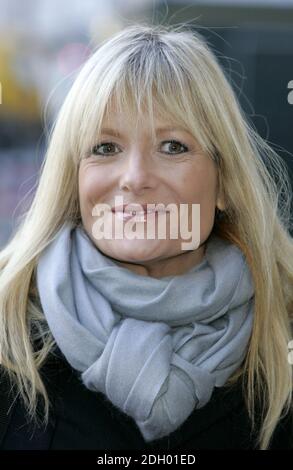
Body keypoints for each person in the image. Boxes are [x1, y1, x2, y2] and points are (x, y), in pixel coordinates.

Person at [0, 23, 292, 451]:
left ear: (225, 182)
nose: (135, 178)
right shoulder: (9, 336)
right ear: (73, 179)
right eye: (105, 148)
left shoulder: (282, 333)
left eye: (173, 146)